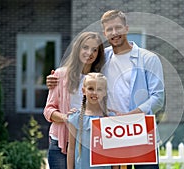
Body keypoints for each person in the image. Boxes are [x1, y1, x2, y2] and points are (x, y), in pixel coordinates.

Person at [47, 10, 165, 169]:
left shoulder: (148, 59)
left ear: (127, 28)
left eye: (118, 28)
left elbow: (158, 98)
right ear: (105, 33)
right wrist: (55, 78)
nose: (114, 33)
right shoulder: (103, 58)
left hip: (139, 131)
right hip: (109, 134)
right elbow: (82, 74)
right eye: (109, 29)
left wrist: (128, 117)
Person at [43, 32, 105, 169]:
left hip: (87, 143)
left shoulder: (99, 79)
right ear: (77, 49)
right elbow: (48, 110)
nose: (89, 53)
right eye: (85, 47)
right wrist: (68, 118)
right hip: (61, 142)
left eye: (95, 50)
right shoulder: (60, 75)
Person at [67, 72, 111, 169]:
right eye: (91, 88)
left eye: (99, 89)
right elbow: (71, 148)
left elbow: (115, 151)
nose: (94, 93)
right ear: (83, 90)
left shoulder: (110, 118)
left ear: (104, 92)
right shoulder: (75, 118)